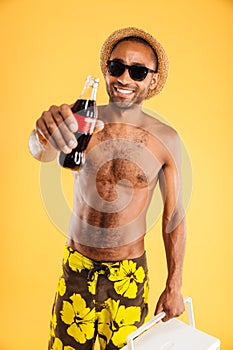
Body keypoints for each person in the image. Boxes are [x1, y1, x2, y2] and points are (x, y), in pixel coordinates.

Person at [29, 27, 186, 350]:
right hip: (78, 267)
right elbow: (40, 150)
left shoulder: (166, 139)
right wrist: (41, 133)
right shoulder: (81, 123)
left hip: (128, 274)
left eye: (138, 71)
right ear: (106, 70)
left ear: (152, 80)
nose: (124, 78)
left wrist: (174, 284)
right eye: (116, 67)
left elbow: (174, 217)